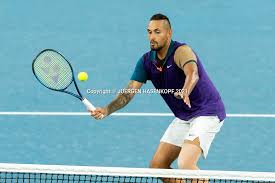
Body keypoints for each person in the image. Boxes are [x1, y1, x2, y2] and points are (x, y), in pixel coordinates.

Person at [90, 13, 226, 171]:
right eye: (149, 32)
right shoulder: (146, 61)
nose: (152, 37)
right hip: (184, 115)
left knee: (186, 164)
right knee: (158, 165)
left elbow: (192, 73)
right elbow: (128, 93)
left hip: (207, 112)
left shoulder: (181, 51)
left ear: (169, 33)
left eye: (157, 32)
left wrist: (185, 90)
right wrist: (107, 109)